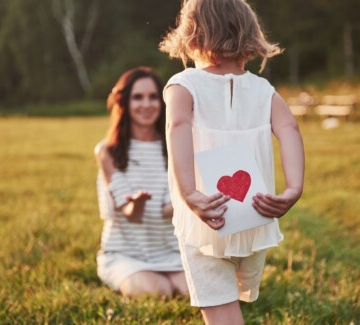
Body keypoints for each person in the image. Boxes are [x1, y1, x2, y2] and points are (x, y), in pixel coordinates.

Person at [159, 0, 304, 324]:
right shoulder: (264, 90)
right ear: (251, 36)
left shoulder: (184, 85)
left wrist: (189, 191)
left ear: (191, 35)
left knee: (221, 308)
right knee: (231, 299)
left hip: (207, 213)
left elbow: (177, 127)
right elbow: (290, 130)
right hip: (253, 216)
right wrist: (293, 188)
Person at [94, 67, 188, 298]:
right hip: (126, 254)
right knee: (158, 291)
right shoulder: (108, 152)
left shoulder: (175, 148)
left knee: (192, 291)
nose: (146, 104)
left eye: (153, 97)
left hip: (170, 252)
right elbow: (131, 214)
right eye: (138, 97)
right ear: (124, 102)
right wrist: (137, 203)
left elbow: (169, 211)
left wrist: (195, 198)